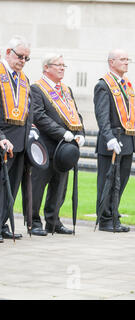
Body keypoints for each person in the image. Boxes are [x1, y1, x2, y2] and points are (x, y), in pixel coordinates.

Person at [29, 53, 85, 236]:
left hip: (64, 148)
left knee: (60, 186)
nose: (62, 68)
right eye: (58, 65)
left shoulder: (66, 89)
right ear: (46, 67)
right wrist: (63, 133)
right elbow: (39, 115)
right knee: (38, 185)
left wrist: (79, 133)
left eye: (63, 65)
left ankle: (53, 221)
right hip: (45, 146)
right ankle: (34, 222)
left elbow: (75, 114)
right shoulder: (37, 88)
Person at [94, 49, 135, 232]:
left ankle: (114, 215)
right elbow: (102, 115)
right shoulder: (103, 85)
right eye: (122, 59)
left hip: (127, 139)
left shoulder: (126, 84)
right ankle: (105, 219)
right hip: (111, 140)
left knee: (122, 181)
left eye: (128, 59)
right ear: (111, 62)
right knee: (108, 181)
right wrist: (109, 138)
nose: (126, 62)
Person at [0, 35, 34, 241]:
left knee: (11, 187)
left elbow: (28, 111)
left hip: (20, 142)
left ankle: (3, 222)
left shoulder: (23, 79)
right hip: (3, 139)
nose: (22, 61)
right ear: (7, 53)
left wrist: (31, 133)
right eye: (19, 56)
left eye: (26, 58)